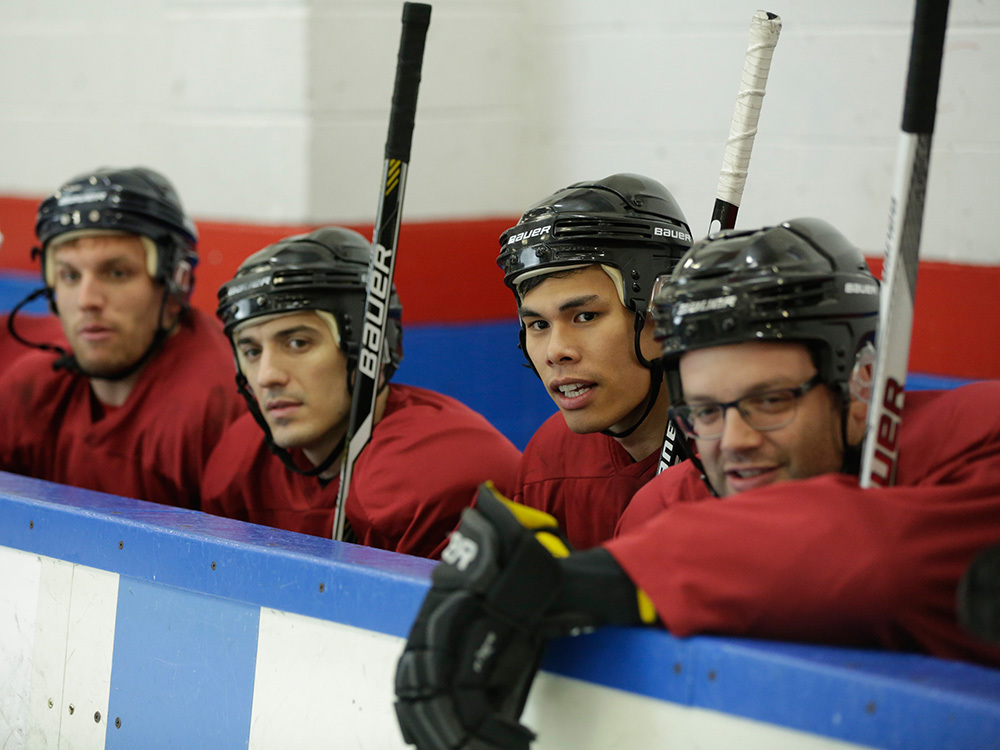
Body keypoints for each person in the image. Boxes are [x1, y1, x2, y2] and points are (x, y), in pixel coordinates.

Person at [394, 218, 1000, 750]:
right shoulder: (667, 503)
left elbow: (877, 554)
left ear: (861, 385)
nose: (733, 441)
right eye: (707, 412)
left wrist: (588, 581)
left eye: (770, 401)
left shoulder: (977, 436)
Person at [202, 227, 521, 558]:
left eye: (298, 343)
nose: (267, 376)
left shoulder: (434, 471)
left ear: (371, 347)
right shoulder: (240, 464)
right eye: (252, 351)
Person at [0, 166, 245, 509]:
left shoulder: (218, 408)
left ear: (176, 284)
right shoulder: (33, 390)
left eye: (116, 273)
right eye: (69, 275)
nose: (87, 300)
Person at [496, 172, 694, 547]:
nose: (556, 351)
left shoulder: (738, 455)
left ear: (662, 314)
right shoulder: (551, 457)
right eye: (538, 324)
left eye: (584, 317)